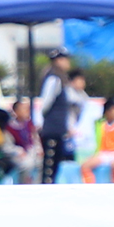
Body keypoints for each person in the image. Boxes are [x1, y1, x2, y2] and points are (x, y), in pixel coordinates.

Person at [35, 51, 74, 184]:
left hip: (57, 129)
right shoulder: (54, 78)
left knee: (55, 164)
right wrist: (43, 122)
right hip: (52, 129)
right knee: (49, 168)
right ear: (58, 60)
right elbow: (45, 102)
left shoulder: (60, 78)